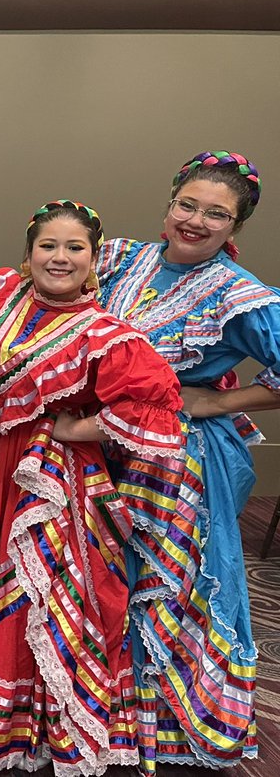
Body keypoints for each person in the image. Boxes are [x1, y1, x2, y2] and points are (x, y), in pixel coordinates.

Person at [0, 200, 185, 774]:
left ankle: (20, 728)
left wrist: (77, 426)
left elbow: (158, 405)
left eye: (74, 248)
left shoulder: (105, 333)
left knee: (29, 594)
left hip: (42, 481)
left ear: (93, 260)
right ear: (28, 250)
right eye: (48, 246)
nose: (59, 258)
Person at [95, 151, 277, 771]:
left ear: (236, 228)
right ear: (170, 202)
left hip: (177, 463)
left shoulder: (240, 294)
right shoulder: (119, 256)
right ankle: (95, 714)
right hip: (103, 444)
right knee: (102, 574)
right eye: (188, 205)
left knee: (169, 584)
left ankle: (168, 724)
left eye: (216, 214)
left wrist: (214, 400)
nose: (195, 220)